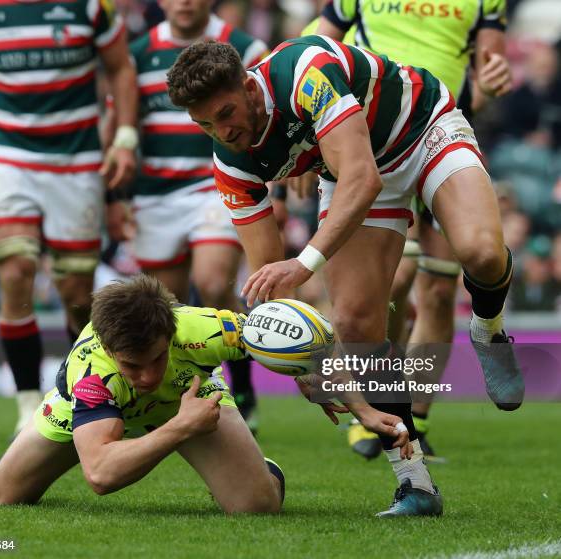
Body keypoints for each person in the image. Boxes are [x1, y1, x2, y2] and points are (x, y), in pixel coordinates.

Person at [167, 36, 525, 515]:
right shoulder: (231, 161)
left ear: (250, 89)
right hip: (353, 174)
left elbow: (363, 178)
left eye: (226, 113)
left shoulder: (306, 70)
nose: (222, 132)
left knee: (481, 253)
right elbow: (273, 290)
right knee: (356, 325)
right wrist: (306, 362)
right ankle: (414, 482)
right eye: (205, 124)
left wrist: (306, 260)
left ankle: (489, 328)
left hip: (421, 130)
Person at [308, 0, 514, 460]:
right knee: (393, 283)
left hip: (437, 130)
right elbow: (320, 50)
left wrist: (492, 79)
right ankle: (381, 403)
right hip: (370, 143)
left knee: (445, 287)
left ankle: (415, 418)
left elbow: (487, 70)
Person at [0, 0, 139, 433]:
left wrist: (124, 137)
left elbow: (121, 69)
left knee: (74, 292)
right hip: (10, 155)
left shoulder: (90, 6)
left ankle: (87, 394)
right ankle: (28, 405)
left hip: (76, 159)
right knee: (15, 268)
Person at [0, 275, 285, 513]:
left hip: (189, 395)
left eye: (157, 358)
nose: (148, 376)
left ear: (170, 332)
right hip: (106, 414)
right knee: (0, 498)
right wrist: (181, 427)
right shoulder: (90, 371)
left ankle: (253, 467)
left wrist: (310, 377)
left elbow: (280, 338)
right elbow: (100, 475)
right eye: (133, 366)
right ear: (110, 351)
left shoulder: (204, 327)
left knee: (257, 506)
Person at [104, 0, 268, 433]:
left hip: (216, 185)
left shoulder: (245, 46)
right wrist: (114, 197)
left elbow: (269, 115)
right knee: (166, 309)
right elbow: (122, 121)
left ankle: (244, 390)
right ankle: (189, 400)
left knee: (215, 283)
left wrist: (280, 186)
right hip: (154, 195)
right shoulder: (136, 52)